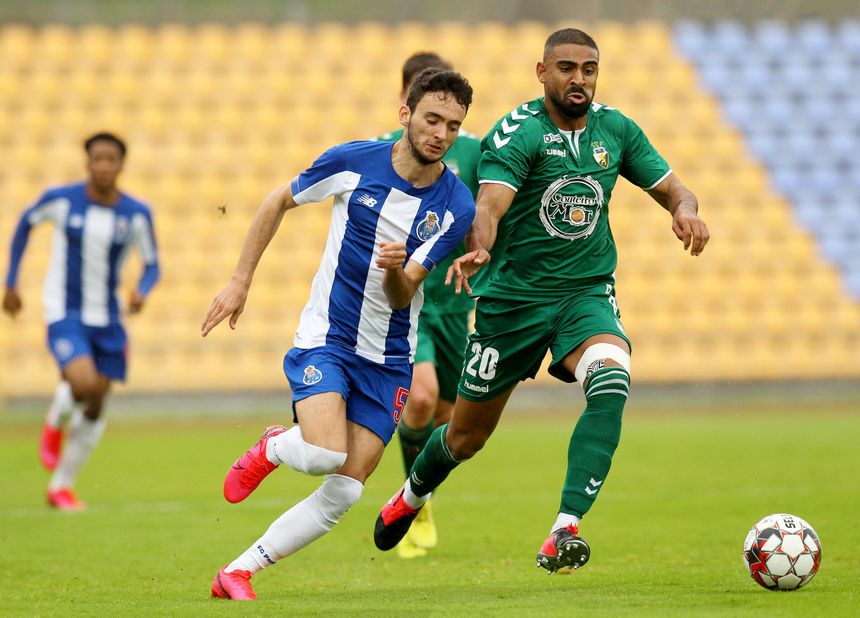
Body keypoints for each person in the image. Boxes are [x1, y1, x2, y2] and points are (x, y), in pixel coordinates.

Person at [373, 28, 710, 574]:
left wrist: (685, 209)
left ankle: (564, 529)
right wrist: (479, 245)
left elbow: (674, 187)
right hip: (512, 302)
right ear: (542, 72)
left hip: (584, 293)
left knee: (612, 377)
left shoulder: (616, 129)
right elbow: (489, 205)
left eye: (589, 69)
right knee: (464, 435)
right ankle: (410, 497)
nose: (579, 79)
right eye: (567, 68)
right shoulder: (518, 132)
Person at [201, 68, 475, 601]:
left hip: (389, 357)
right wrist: (240, 280)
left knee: (345, 489)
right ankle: (276, 445)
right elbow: (276, 200)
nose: (441, 133)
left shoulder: (454, 204)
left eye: (453, 125)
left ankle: (236, 572)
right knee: (325, 454)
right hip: (327, 338)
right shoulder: (353, 161)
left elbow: (401, 296)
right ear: (406, 115)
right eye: (432, 118)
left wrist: (398, 268)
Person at [3, 132, 160, 511]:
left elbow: (153, 264)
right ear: (87, 163)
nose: (104, 165)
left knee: (97, 401)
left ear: (121, 165)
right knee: (83, 382)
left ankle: (61, 487)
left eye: (111, 159)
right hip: (65, 312)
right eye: (97, 158)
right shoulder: (62, 200)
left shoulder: (136, 213)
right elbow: (25, 224)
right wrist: (11, 282)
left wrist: (141, 290)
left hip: (108, 318)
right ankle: (56, 418)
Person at [375, 52, 482, 559]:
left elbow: (494, 209)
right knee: (420, 399)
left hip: (457, 307)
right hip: (407, 306)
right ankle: (413, 504)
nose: (440, 128)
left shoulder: (475, 152)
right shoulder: (382, 155)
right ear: (406, 101)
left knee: (444, 417)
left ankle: (419, 491)